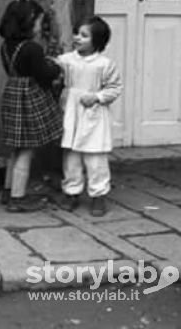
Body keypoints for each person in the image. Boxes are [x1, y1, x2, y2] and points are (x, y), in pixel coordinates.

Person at [0, 0, 63, 212]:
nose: (39, 27)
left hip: (12, 93)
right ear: (28, 22)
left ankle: (8, 191)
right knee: (26, 151)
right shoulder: (32, 49)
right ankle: (18, 198)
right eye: (38, 22)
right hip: (28, 97)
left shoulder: (6, 46)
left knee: (15, 150)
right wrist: (55, 67)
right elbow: (44, 75)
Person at [55, 16, 122, 217]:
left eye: (84, 35)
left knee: (95, 159)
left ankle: (98, 195)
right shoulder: (66, 60)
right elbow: (54, 74)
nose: (78, 38)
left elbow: (115, 88)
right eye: (76, 33)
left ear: (98, 40)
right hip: (71, 114)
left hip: (93, 115)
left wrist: (97, 97)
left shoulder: (104, 64)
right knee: (71, 157)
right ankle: (71, 192)